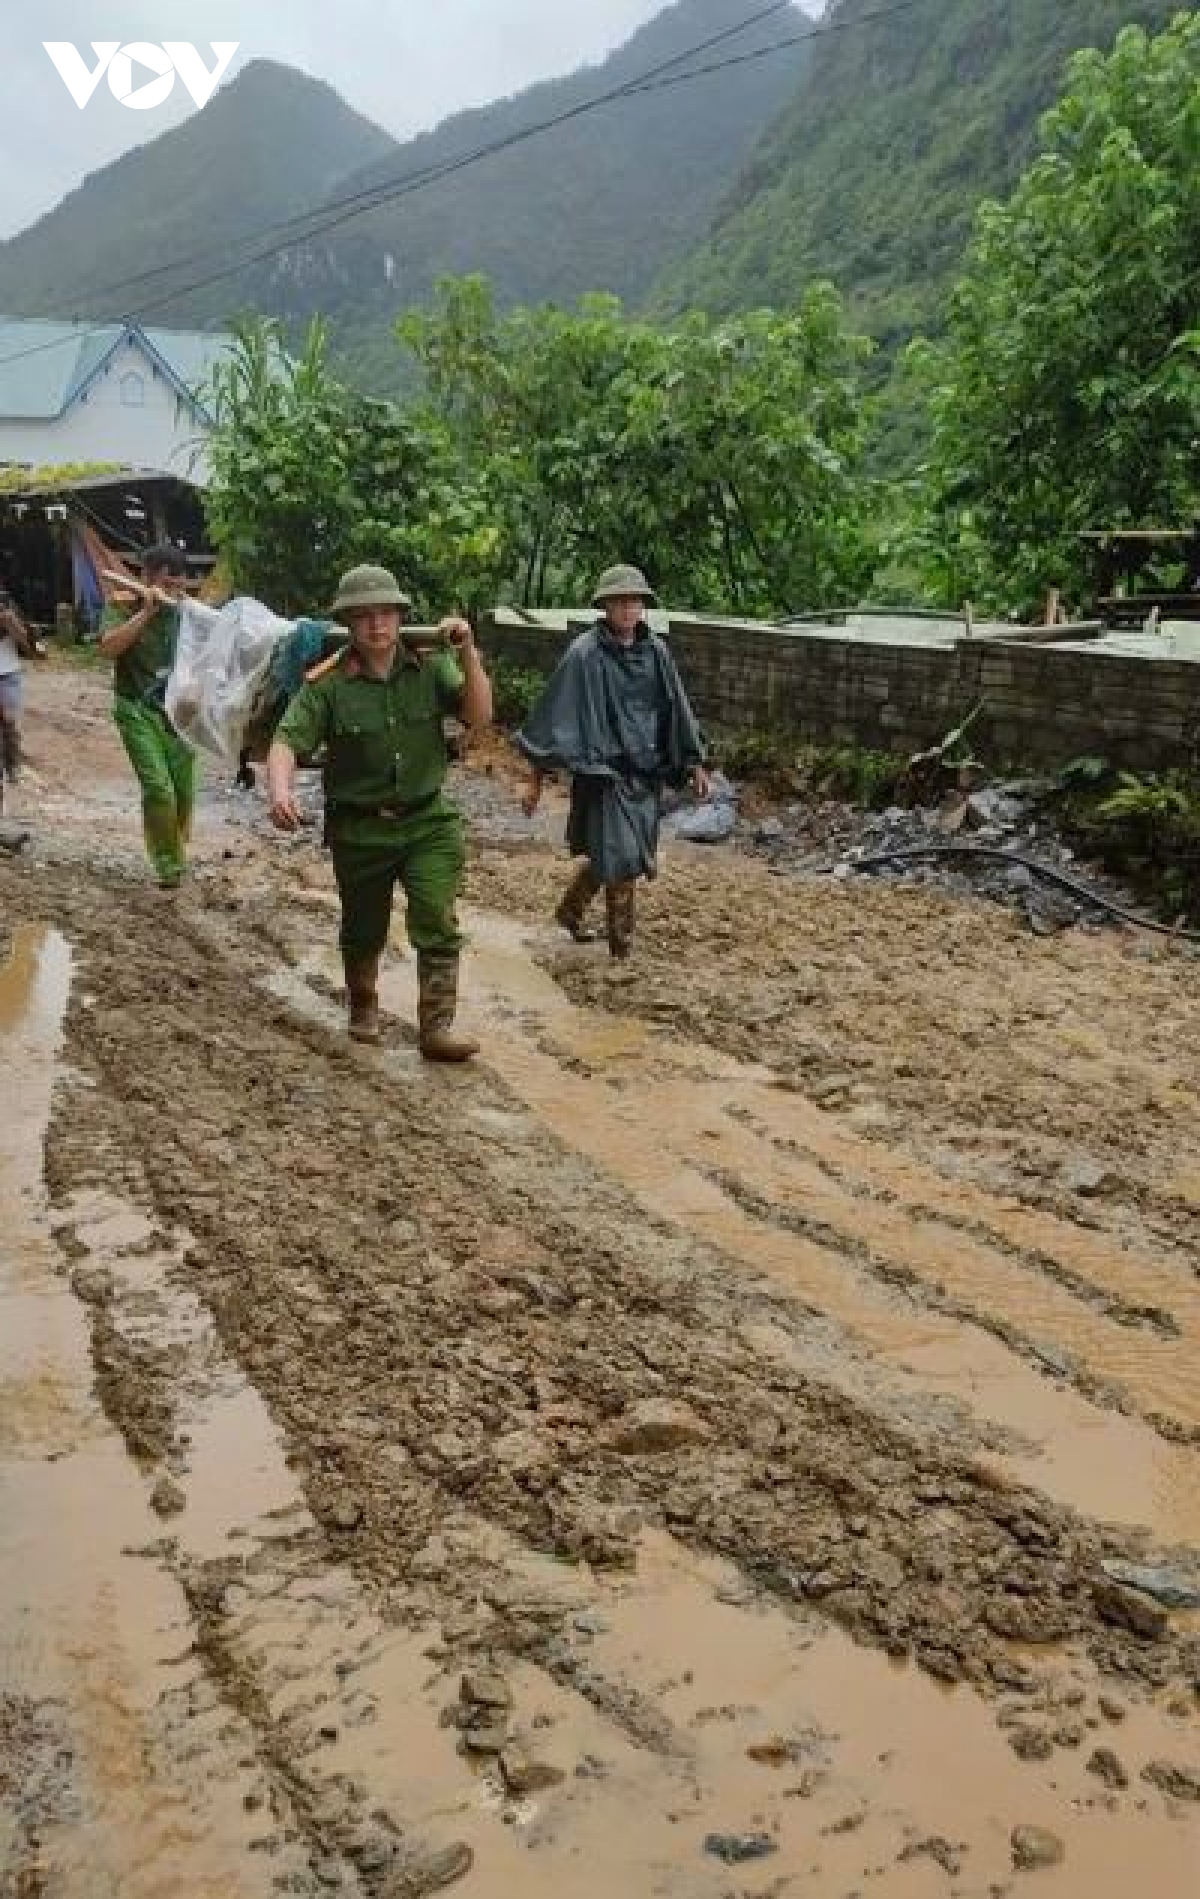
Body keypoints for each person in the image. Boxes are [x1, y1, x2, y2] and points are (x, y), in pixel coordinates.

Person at [266, 563, 493, 1060]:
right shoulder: (327, 685)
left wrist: (469, 654)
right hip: (360, 828)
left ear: (400, 616)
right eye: (364, 616)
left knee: (436, 915)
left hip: (427, 819)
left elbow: (478, 716)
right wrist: (280, 792)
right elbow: (287, 740)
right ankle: (363, 1004)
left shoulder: (432, 665)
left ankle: (436, 1026)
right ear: (348, 623)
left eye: (386, 613)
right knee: (363, 925)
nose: (377, 626)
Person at [518, 563, 710, 959]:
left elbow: (677, 708)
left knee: (617, 853)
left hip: (646, 773)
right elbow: (553, 716)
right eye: (619, 602)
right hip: (603, 775)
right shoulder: (583, 656)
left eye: (634, 601)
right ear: (604, 606)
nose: (627, 609)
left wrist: (693, 762)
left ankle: (569, 912)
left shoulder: (656, 653)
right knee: (621, 861)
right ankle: (621, 949)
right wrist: (535, 780)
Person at [99, 542, 196, 888]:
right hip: (135, 708)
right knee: (159, 789)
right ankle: (168, 865)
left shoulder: (188, 613)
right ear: (147, 577)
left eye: (179, 584)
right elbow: (108, 648)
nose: (173, 591)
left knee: (184, 792)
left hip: (178, 712)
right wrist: (147, 613)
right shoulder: (123, 604)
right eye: (166, 583)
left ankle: (173, 844)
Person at [0, 585, 35, 816]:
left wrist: (11, 623)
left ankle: (13, 766)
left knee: (10, 730)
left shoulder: (7, 603)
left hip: (7, 673)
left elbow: (31, 646)